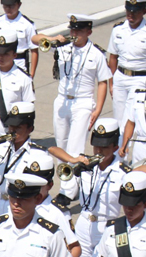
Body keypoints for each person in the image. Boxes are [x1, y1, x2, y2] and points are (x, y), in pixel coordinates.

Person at [60, 120, 130, 257]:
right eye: (96, 146)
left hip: (107, 225)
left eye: (104, 147)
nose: (99, 151)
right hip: (84, 221)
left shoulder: (123, 172)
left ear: (115, 147)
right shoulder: (86, 164)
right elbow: (53, 151)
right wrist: (74, 168)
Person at [35, 14, 111, 157]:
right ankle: (65, 176)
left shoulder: (96, 53)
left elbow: (102, 82)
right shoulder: (63, 47)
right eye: (72, 31)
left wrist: (98, 109)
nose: (74, 34)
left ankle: (74, 177)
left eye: (79, 31)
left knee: (75, 147)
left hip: (83, 102)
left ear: (89, 32)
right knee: (61, 145)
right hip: (62, 100)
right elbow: (34, 39)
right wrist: (52, 39)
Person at [106, 0, 146, 125]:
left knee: (130, 118)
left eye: (135, 12)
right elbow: (113, 57)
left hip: (141, 79)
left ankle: (125, 145)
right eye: (128, 11)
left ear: (144, 11)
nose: (131, 15)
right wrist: (112, 83)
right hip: (120, 77)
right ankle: (121, 145)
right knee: (118, 119)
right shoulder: (118, 29)